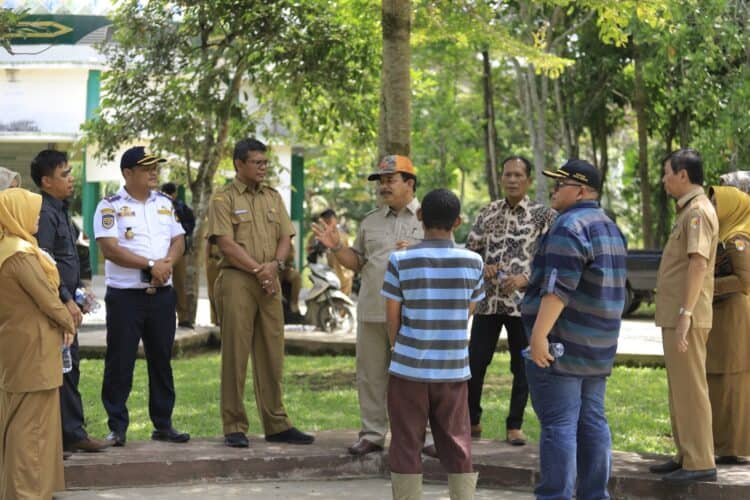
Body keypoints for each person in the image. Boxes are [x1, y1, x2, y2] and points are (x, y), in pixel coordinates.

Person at [312, 155, 435, 457]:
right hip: (372, 308)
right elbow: (358, 262)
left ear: (410, 182)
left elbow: (442, 257)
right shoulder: (370, 221)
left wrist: (421, 249)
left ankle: (423, 435)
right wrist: (337, 247)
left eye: (390, 179)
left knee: (418, 375)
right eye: (380, 180)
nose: (383, 186)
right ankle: (373, 434)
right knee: (370, 375)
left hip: (414, 312)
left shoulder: (430, 218)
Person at [521, 159, 627, 499]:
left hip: (562, 345)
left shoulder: (568, 226)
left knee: (559, 425)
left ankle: (556, 496)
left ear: (581, 190)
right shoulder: (610, 226)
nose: (553, 189)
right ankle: (595, 495)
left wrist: (538, 337)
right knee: (592, 421)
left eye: (561, 183)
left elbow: (558, 289)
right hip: (597, 348)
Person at [207, 138, 314, 448]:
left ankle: (277, 423)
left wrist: (275, 266)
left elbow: (285, 236)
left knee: (272, 352)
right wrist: (260, 269)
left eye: (265, 162)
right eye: (257, 162)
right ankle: (234, 425)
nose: (264, 167)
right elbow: (225, 243)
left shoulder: (272, 196)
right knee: (236, 354)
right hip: (238, 279)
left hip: (270, 279)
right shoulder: (222, 199)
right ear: (239, 164)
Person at [382, 188, 484, 499]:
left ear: (420, 216)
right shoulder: (473, 262)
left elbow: (392, 315)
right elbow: (469, 309)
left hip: (408, 368)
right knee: (457, 440)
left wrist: (395, 347)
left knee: (406, 441)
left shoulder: (400, 260)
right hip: (453, 369)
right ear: (458, 221)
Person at [94, 146, 190, 447]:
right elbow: (110, 248)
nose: (154, 172)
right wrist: (150, 265)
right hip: (126, 298)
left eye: (155, 167)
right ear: (127, 173)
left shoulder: (164, 202)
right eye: (147, 167)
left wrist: (166, 265)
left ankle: (163, 424)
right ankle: (117, 427)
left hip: (161, 296)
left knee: (161, 361)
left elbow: (179, 239)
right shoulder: (109, 206)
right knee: (120, 362)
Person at [465, 155, 556, 445]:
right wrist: (484, 266)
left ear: (529, 181)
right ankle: (472, 420)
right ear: (501, 178)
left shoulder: (543, 216)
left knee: (522, 365)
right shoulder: (488, 211)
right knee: (475, 362)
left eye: (518, 175)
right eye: (508, 175)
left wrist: (526, 279)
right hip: (488, 302)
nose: (512, 180)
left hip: (524, 306)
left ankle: (514, 426)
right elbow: (471, 250)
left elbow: (552, 259)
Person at [31, 149, 109, 455]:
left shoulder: (62, 210)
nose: (71, 179)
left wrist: (82, 291)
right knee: (57, 371)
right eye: (64, 174)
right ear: (47, 181)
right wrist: (65, 299)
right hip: (54, 308)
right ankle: (59, 437)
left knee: (68, 369)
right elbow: (44, 263)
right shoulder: (44, 214)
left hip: (69, 304)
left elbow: (75, 253)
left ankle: (71, 433)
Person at [0, 188, 76, 499]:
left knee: (27, 419)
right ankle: (26, 492)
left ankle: (30, 488)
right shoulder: (19, 254)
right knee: (30, 425)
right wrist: (69, 321)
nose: (38, 217)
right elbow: (47, 298)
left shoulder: (11, 248)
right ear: (17, 213)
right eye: (33, 210)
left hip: (23, 343)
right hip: (33, 345)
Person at [649, 148, 718, 483]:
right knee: (680, 389)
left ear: (683, 175)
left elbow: (698, 263)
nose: (664, 179)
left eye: (667, 173)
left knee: (691, 389)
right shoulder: (688, 210)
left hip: (686, 316)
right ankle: (686, 454)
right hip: (678, 315)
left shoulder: (697, 213)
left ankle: (700, 462)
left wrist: (686, 314)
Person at [705, 185, 750, 464]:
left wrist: (706, 286)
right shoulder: (727, 236)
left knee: (732, 380)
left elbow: (745, 281)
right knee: (723, 381)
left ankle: (732, 448)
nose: (711, 208)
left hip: (733, 317)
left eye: (716, 203)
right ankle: (725, 446)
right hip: (725, 316)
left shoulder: (737, 239)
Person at [161, 182, 196, 329]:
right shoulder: (156, 205)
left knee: (179, 284)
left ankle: (183, 317)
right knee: (162, 284)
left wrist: (178, 232)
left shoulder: (181, 207)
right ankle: (163, 316)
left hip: (178, 251)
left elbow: (190, 224)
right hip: (161, 251)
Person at [307, 208, 353, 296]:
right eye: (324, 222)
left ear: (335, 220)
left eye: (329, 221)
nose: (327, 225)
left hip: (344, 275)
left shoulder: (342, 235)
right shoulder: (316, 235)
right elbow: (309, 250)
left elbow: (350, 252)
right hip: (325, 275)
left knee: (343, 303)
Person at [205, 240, 221, 326]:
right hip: (213, 260)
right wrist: (207, 260)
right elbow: (208, 242)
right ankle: (215, 319)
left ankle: (221, 318)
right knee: (212, 292)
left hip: (224, 261)